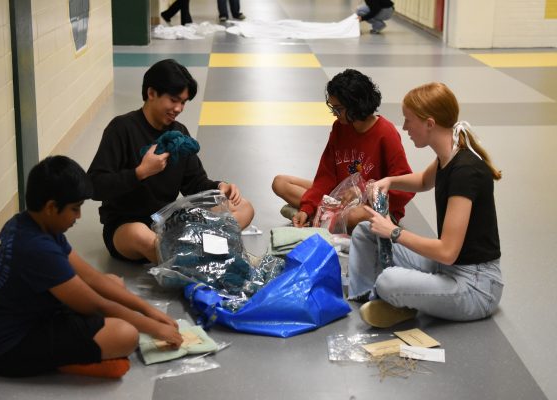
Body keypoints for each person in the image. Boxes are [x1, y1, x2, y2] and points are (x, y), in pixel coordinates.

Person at [0, 155, 183, 379]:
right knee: (126, 335)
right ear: (52, 207)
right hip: (5, 349)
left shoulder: (31, 222)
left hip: (20, 317)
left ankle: (81, 350)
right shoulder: (36, 248)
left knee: (113, 282)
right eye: (75, 208)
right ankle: (72, 361)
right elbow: (96, 305)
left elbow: (93, 279)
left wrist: (149, 310)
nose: (79, 216)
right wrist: (153, 327)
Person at [349, 82, 503, 328]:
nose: (405, 127)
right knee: (365, 231)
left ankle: (391, 295)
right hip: (446, 269)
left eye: (409, 120)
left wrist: (394, 232)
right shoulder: (449, 154)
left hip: (475, 287)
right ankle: (370, 298)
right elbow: (422, 181)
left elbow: (447, 252)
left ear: (429, 124)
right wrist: (389, 180)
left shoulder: (465, 171)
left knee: (389, 279)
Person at [88, 59, 254, 265]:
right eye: (174, 100)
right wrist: (140, 172)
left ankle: (190, 255)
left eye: (183, 102)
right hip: (127, 226)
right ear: (151, 93)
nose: (178, 108)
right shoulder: (121, 129)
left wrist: (220, 187)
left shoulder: (178, 133)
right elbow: (94, 186)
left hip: (169, 223)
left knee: (244, 207)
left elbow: (195, 183)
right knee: (142, 236)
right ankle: (204, 261)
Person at [271, 69, 414, 231]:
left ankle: (323, 217)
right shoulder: (340, 127)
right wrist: (306, 208)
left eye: (338, 109)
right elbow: (325, 176)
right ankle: (321, 215)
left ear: (355, 105)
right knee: (280, 183)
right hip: (340, 197)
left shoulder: (385, 133)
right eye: (333, 108)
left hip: (372, 204)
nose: (334, 114)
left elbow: (404, 186)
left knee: (353, 216)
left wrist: (365, 193)